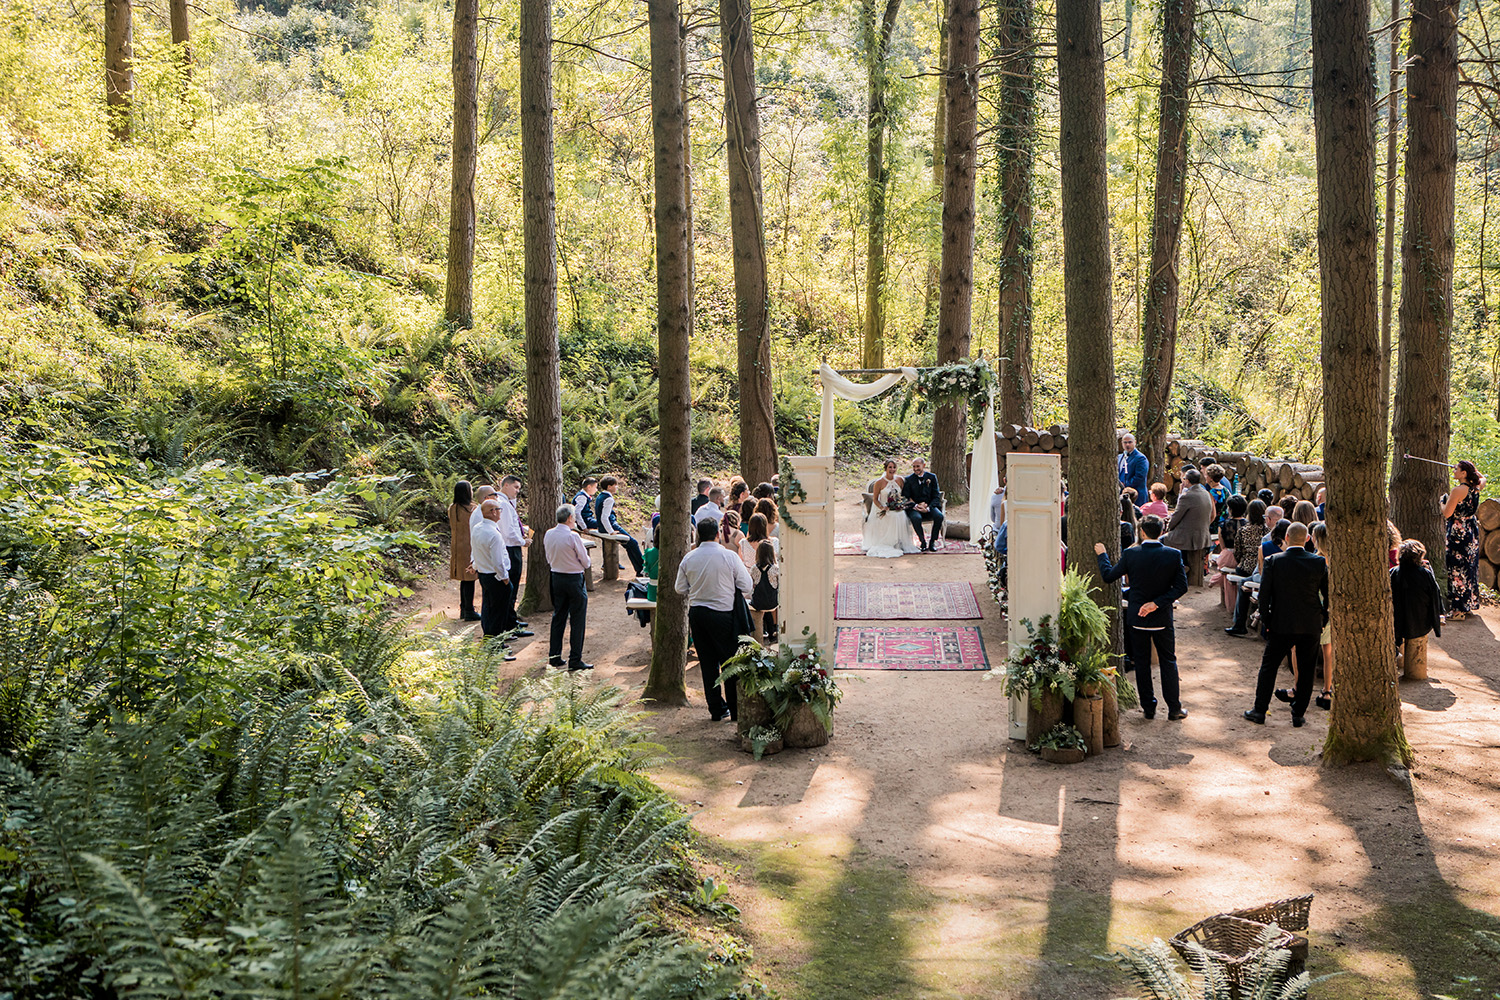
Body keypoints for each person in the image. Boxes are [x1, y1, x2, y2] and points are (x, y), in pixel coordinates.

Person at [1094, 514, 1190, 721]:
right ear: (1161, 531)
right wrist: (1157, 603)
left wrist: (1102, 555)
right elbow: (1182, 587)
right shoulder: (1173, 555)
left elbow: (1109, 576)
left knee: (1142, 663)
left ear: (1142, 532)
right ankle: (1174, 708)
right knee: (1168, 660)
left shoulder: (1131, 554)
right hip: (1162, 617)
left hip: (1137, 617)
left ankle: (1149, 707)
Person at [1243, 522, 1328, 727]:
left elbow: (1264, 596)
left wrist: (1267, 620)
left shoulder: (1274, 561)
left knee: (1269, 666)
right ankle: (1298, 713)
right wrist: (1323, 619)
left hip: (1281, 623)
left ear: (1287, 537)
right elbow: (1327, 595)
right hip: (1310, 624)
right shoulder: (1318, 563)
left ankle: (1260, 709)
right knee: (1306, 670)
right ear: (1307, 539)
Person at [675, 517, 754, 722]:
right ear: (718, 534)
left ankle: (716, 709)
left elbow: (679, 588)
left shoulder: (689, 558)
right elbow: (746, 585)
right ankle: (735, 710)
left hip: (698, 614)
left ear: (698, 536)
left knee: (708, 663)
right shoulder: (729, 556)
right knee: (730, 662)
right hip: (723, 615)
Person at [544, 504, 593, 672]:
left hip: (556, 577)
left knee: (559, 616)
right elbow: (586, 562)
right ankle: (575, 659)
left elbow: (548, 557)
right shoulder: (573, 537)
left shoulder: (549, 534)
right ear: (570, 518)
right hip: (573, 578)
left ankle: (554, 656)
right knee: (577, 619)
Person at [469, 499, 516, 661]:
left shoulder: (477, 529)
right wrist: (504, 579)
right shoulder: (493, 534)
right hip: (495, 577)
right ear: (493, 512)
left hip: (484, 575)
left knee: (488, 609)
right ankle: (496, 648)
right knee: (498, 612)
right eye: (499, 510)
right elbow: (498, 561)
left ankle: (490, 641)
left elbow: (476, 550)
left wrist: (475, 564)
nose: (500, 513)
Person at [1391, 536, 1444, 667]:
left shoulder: (1393, 573)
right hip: (1421, 624)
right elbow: (1435, 596)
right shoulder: (1425, 574)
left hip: (1396, 625)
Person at [1444, 460, 1486, 620]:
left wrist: (1442, 503)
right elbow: (1483, 478)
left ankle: (1458, 611)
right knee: (1469, 566)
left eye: (1457, 469)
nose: (1454, 470)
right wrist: (1473, 469)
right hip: (1471, 532)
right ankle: (1468, 604)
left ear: (1464, 474)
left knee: (1456, 569)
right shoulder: (1476, 487)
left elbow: (1447, 513)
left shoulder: (1457, 491)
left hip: (1458, 533)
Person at [1163, 468, 1215, 585]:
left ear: (1187, 481)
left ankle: (1178, 569)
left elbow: (1176, 516)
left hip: (1189, 536)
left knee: (1162, 540)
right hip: (1203, 534)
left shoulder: (1188, 495)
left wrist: (1168, 527)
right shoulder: (1205, 493)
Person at [496, 476, 533, 636]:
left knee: (513, 586)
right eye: (515, 487)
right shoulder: (502, 504)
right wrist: (522, 541)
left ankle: (511, 620)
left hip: (513, 546)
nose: (518, 491)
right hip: (511, 548)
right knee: (511, 587)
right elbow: (508, 531)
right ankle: (509, 625)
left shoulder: (507, 503)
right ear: (505, 486)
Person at [1226, 500, 1269, 636]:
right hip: (1262, 568)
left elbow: (1237, 552)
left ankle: (1239, 623)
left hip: (1245, 567)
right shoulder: (1268, 532)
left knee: (1242, 585)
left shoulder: (1243, 530)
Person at [865, 461, 920, 558]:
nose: (892, 470)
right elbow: (875, 499)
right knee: (892, 516)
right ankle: (889, 542)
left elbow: (903, 495)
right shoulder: (879, 482)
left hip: (896, 507)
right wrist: (883, 507)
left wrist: (900, 504)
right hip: (883, 507)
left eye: (894, 467)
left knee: (901, 514)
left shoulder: (899, 480)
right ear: (885, 469)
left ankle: (899, 542)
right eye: (890, 467)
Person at [594, 475, 646, 576]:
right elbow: (604, 517)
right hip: (610, 527)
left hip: (603, 527)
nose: (617, 487)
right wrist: (611, 531)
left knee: (630, 545)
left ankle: (639, 569)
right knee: (633, 543)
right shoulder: (608, 499)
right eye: (615, 485)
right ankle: (641, 569)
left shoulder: (600, 496)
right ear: (609, 487)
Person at [447, 480, 481, 622]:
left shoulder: (452, 508)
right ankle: (469, 610)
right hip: (469, 547)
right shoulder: (473, 509)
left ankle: (464, 608)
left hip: (456, 548)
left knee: (464, 580)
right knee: (469, 579)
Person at [902, 457, 945, 551]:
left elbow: (936, 496)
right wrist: (916, 506)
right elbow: (905, 497)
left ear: (924, 466)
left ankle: (932, 541)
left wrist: (928, 508)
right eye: (913, 466)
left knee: (939, 516)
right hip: (915, 507)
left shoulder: (932, 477)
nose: (915, 468)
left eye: (918, 466)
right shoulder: (909, 479)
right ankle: (922, 541)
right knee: (916, 518)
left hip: (929, 506)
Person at [749, 540, 780, 646]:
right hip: (772, 602)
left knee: (759, 607)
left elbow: (751, 585)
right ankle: (773, 632)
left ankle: (762, 633)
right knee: (772, 606)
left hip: (758, 603)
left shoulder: (753, 569)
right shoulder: (776, 569)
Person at [1118, 433, 1150, 504]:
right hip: (1121, 496)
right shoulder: (1119, 457)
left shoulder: (1141, 458)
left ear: (1135, 442)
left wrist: (1125, 486)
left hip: (1136, 496)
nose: (1127, 445)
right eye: (1125, 442)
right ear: (1122, 443)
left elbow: (1139, 477)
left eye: (1130, 442)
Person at [1205, 464, 1232, 532]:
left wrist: (1205, 526)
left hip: (1215, 526)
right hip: (1225, 524)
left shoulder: (1211, 493)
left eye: (1206, 475)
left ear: (1210, 478)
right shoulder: (1226, 490)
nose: (1205, 477)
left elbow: (1212, 514)